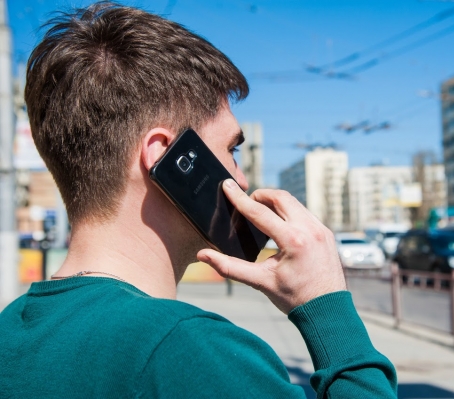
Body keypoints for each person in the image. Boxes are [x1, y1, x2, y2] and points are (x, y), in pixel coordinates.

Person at [0, 2, 397, 398]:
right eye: (231, 151)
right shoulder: (189, 350)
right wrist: (326, 306)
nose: (240, 179)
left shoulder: (10, 329)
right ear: (166, 157)